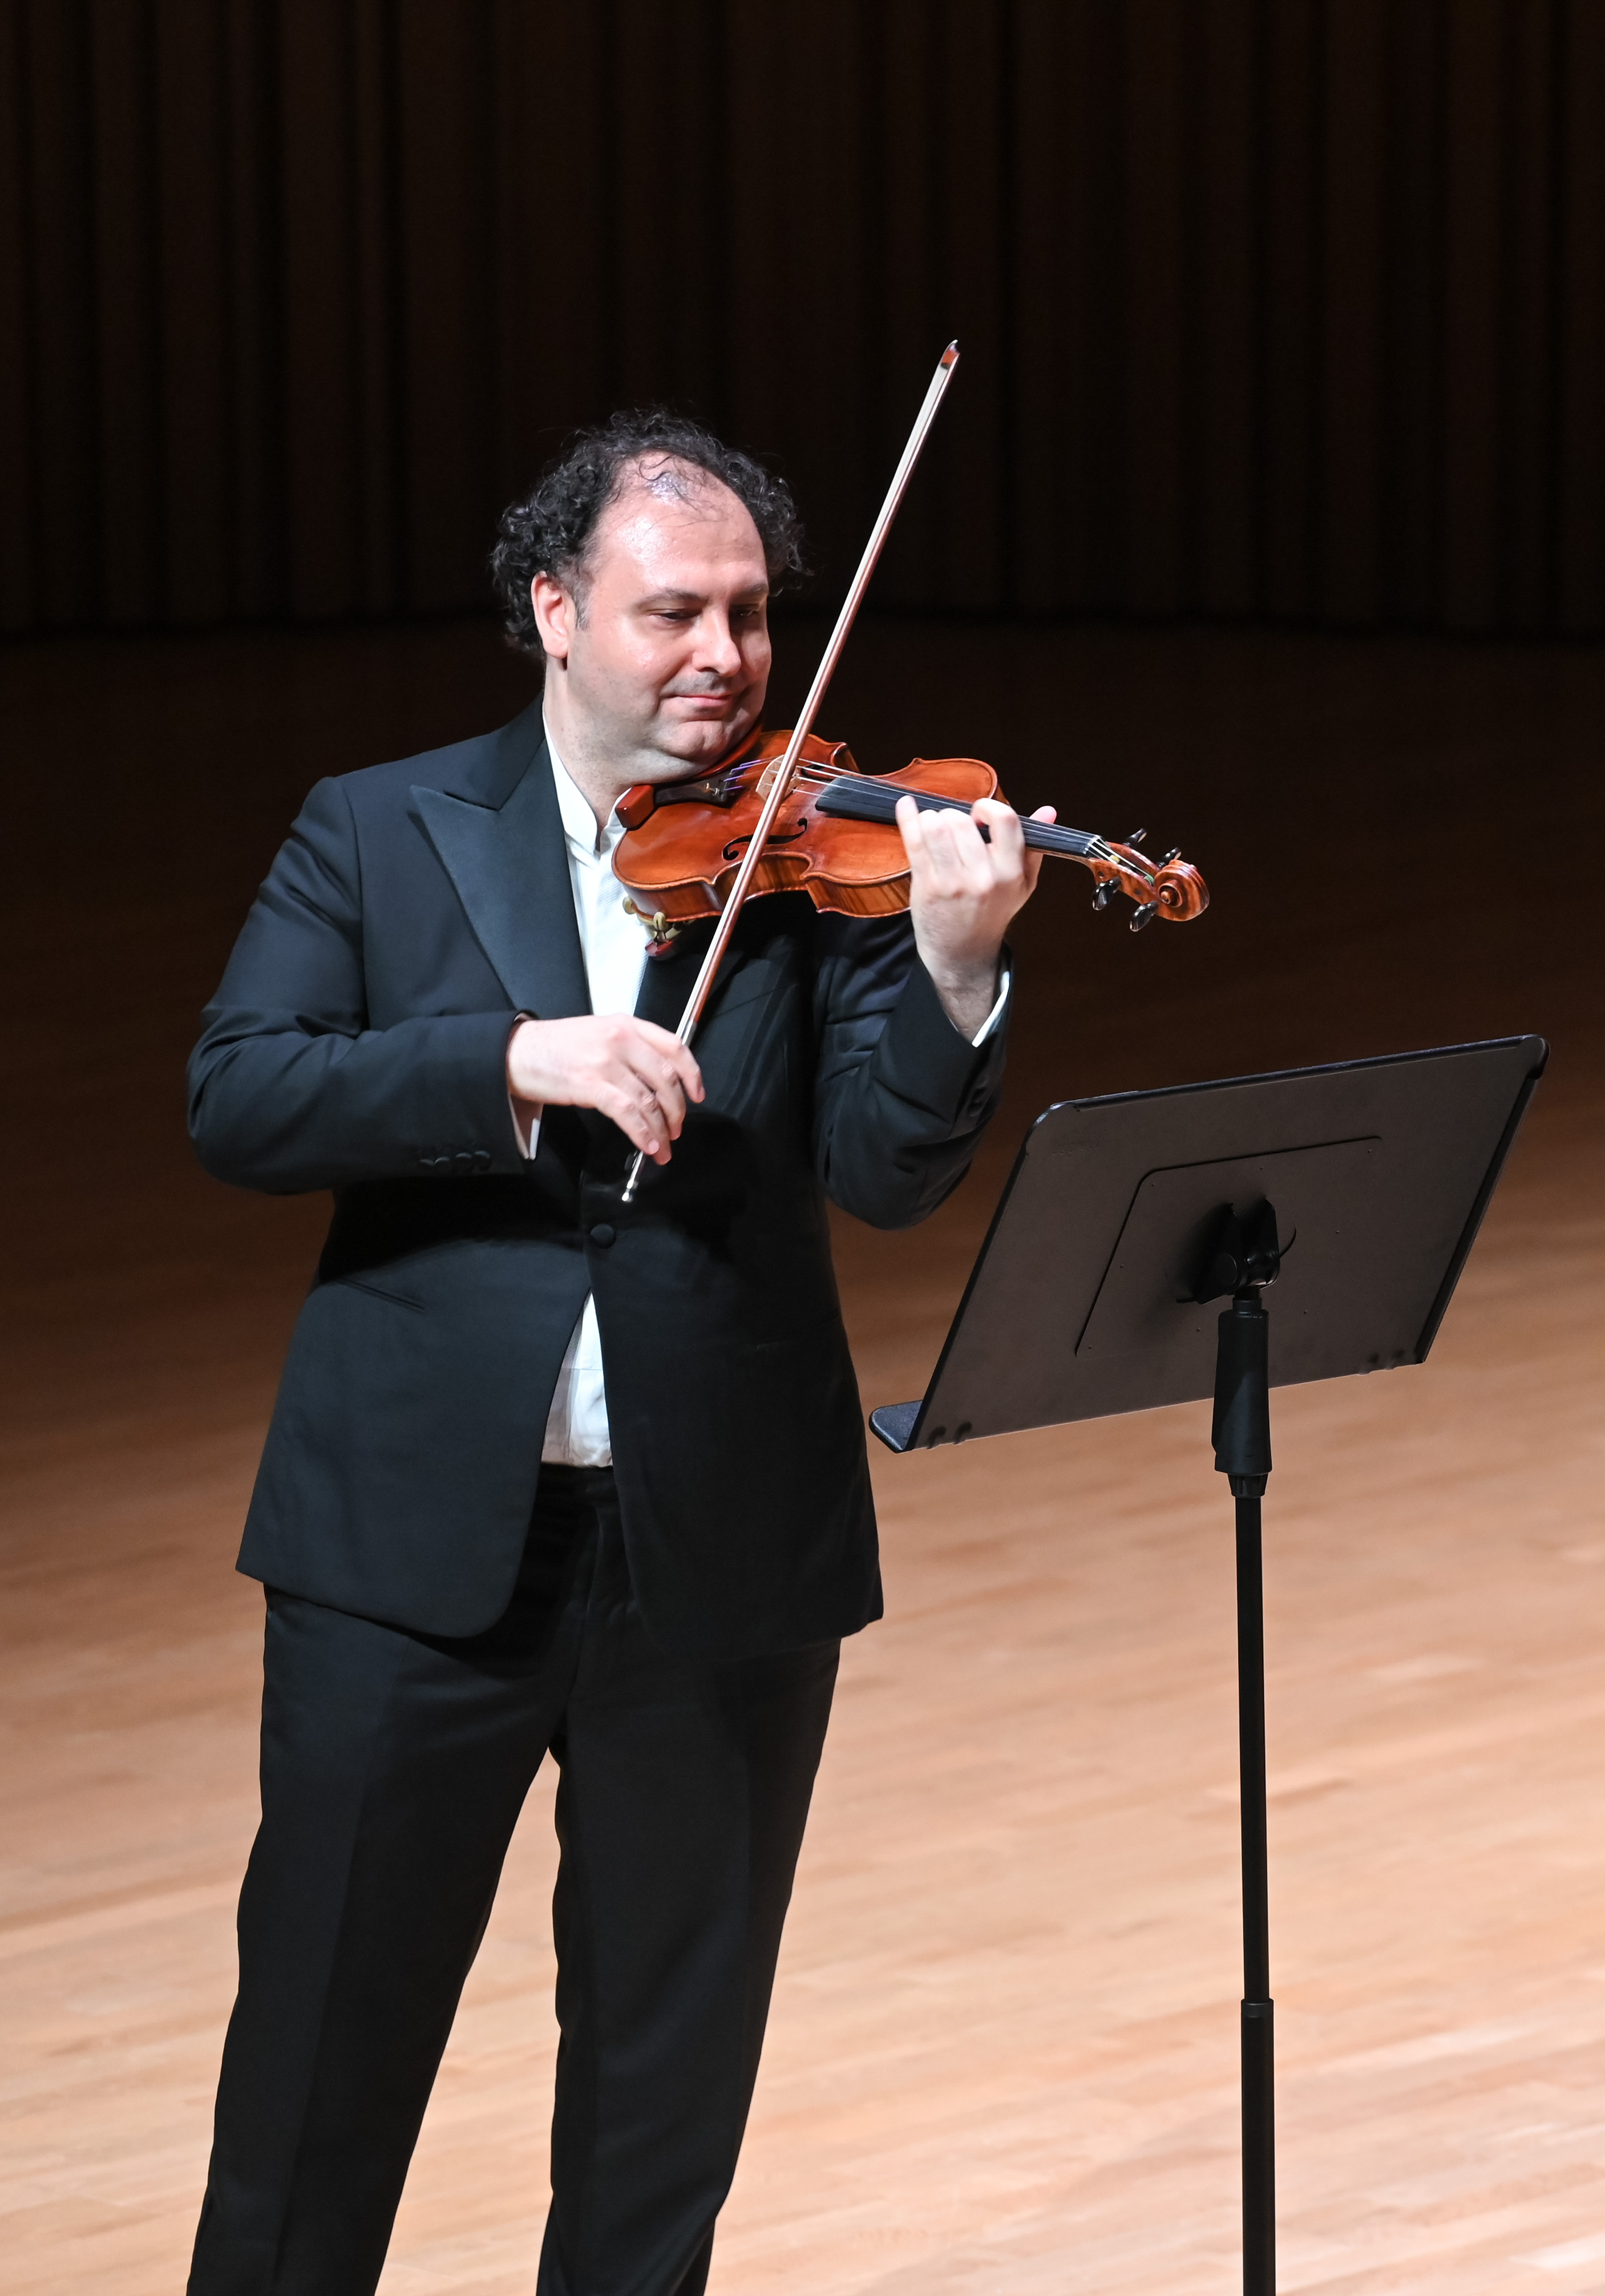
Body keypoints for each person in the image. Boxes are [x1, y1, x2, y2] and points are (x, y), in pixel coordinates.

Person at [182, 408, 1042, 2293]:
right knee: (316, 2082)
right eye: (672, 613)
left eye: (746, 613)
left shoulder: (835, 855)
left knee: (664, 2108)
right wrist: (509, 1058)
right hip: (407, 1562)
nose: (721, 658)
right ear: (554, 610)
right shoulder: (379, 827)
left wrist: (963, 974)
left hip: (713, 1554)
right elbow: (238, 1096)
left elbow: (890, 1176)